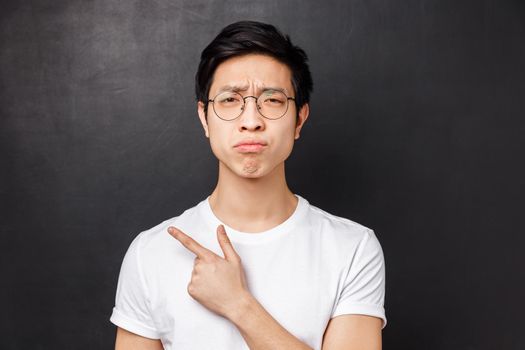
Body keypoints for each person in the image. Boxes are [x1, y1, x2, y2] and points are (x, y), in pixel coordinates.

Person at [110, 20, 387, 350]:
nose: (251, 120)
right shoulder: (150, 253)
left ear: (299, 118)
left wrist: (237, 304)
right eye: (230, 100)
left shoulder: (352, 249)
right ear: (204, 118)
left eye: (272, 100)